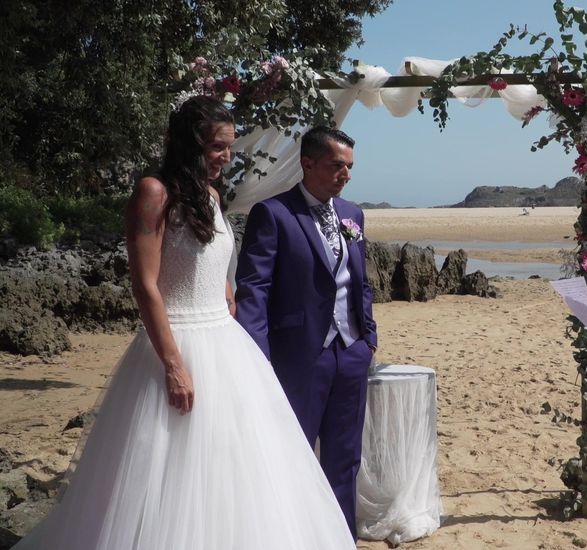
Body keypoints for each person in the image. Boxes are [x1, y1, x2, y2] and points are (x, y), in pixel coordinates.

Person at [12, 96, 355, 549]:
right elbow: (146, 285)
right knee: (171, 470)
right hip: (177, 344)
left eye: (229, 147)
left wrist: (226, 291)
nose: (225, 157)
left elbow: (210, 263)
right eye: (216, 147)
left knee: (234, 464)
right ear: (188, 143)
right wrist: (172, 363)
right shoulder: (153, 192)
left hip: (226, 345)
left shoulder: (211, 196)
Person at [235, 126, 377, 538]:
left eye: (349, 167)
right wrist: (256, 357)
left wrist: (368, 340)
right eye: (337, 165)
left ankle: (339, 538)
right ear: (308, 163)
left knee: (345, 458)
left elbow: (360, 281)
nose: (345, 175)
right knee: (290, 455)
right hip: (298, 356)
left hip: (350, 354)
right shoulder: (273, 214)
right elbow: (254, 290)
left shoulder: (353, 214)